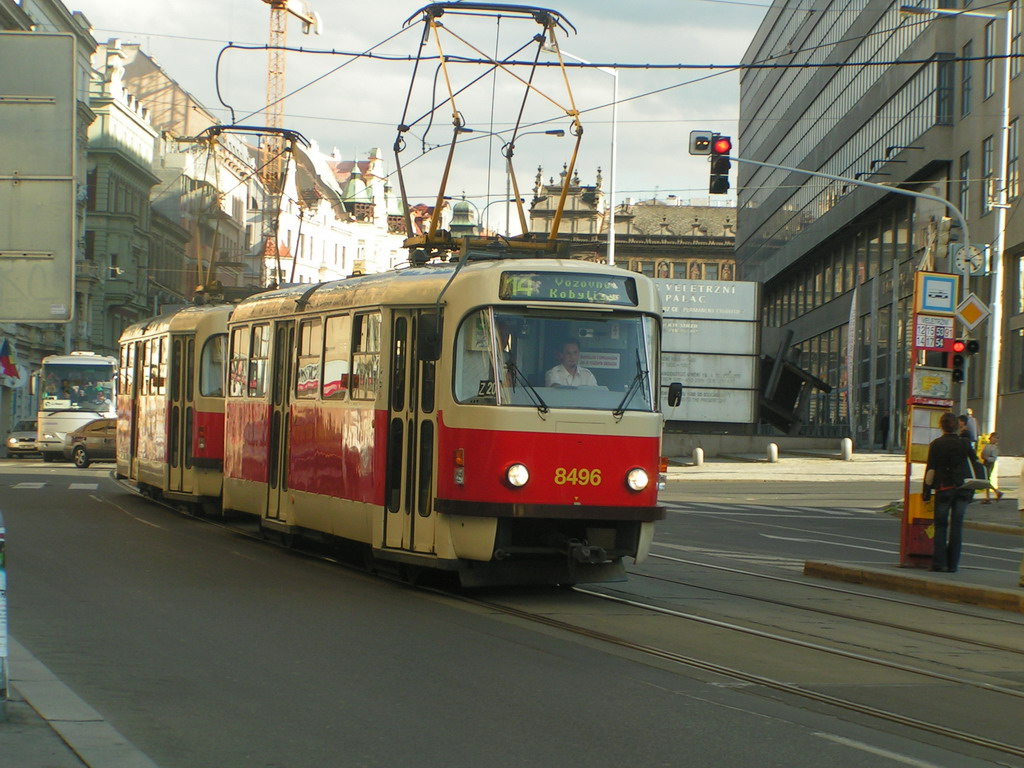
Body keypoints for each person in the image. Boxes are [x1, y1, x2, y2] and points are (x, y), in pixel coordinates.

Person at [922, 411, 980, 573]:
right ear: (956, 426)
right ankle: (953, 564)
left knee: (940, 525)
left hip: (944, 488)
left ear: (941, 426)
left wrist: (926, 491)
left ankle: (939, 562)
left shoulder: (936, 444)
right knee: (957, 526)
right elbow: (976, 463)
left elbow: (930, 470)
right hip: (962, 489)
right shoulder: (964, 443)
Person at [981, 432, 1004, 503]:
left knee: (987, 480)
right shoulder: (986, 446)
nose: (995, 439)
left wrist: (987, 458)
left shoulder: (995, 448)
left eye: (997, 438)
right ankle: (992, 494)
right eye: (994, 437)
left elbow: (994, 458)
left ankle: (992, 494)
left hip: (989, 464)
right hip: (985, 463)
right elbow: (982, 453)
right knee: (985, 480)